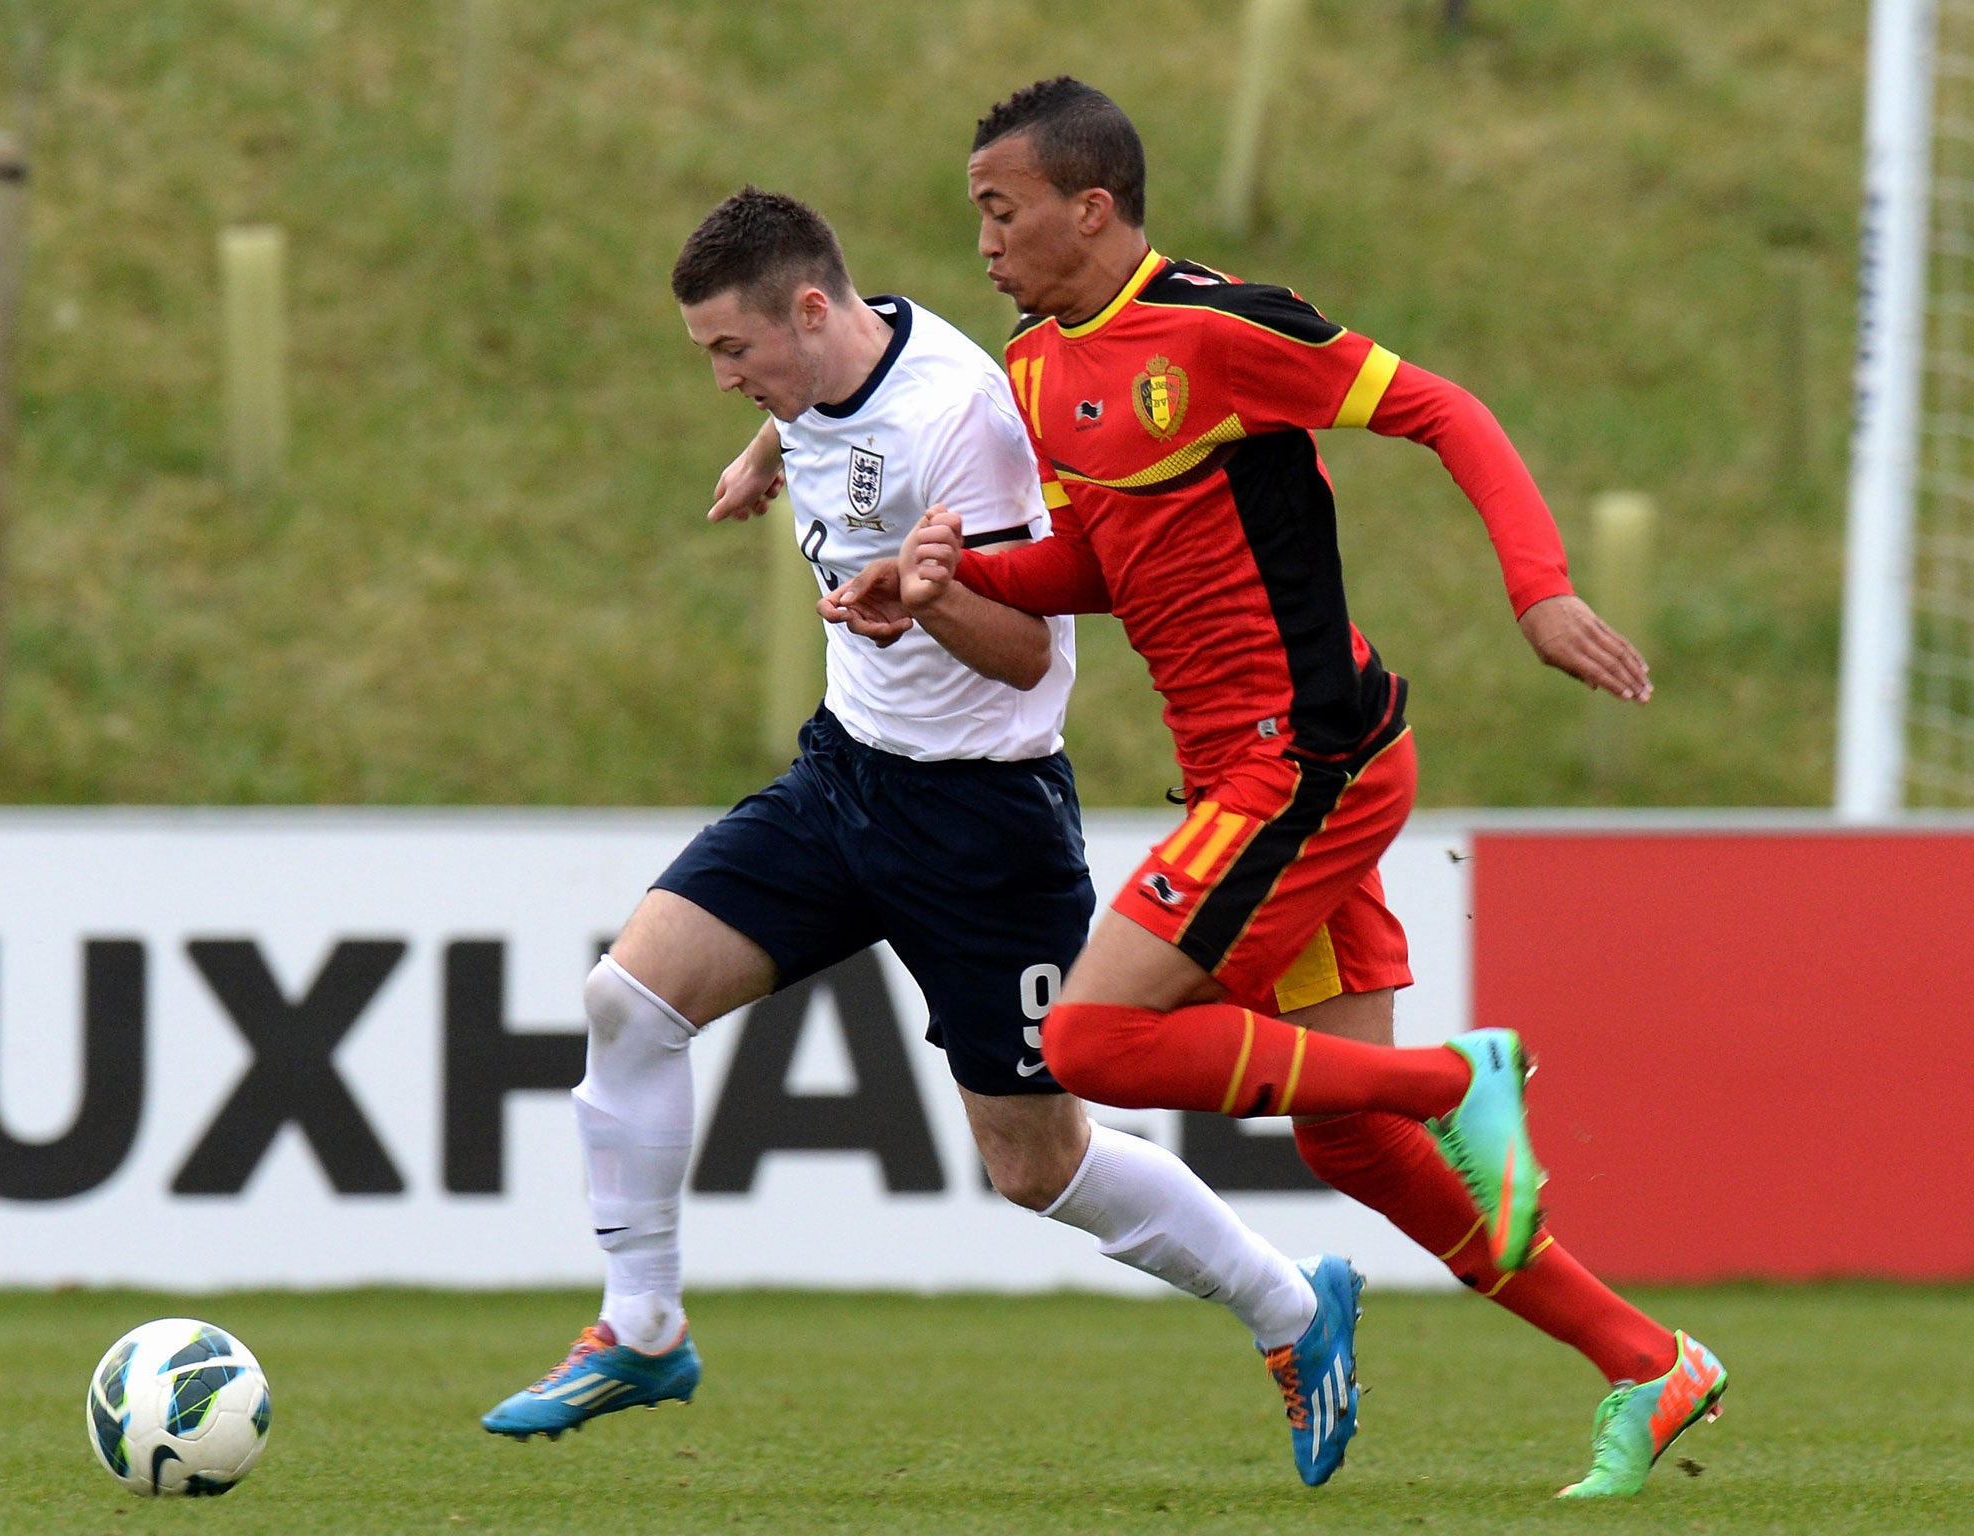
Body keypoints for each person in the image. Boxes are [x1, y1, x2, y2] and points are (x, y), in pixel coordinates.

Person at [478, 186, 1471, 1487]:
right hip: (843, 785)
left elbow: (1022, 655)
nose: (725, 379)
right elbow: (830, 421)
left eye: (735, 354)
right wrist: (766, 452)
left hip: (982, 822)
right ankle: (646, 1328)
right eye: (712, 359)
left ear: (812, 310)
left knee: (1035, 1164)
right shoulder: (821, 380)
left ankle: (1293, 1307)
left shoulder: (962, 417)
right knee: (628, 1002)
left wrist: (921, 606)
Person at [839, 78, 1725, 1499]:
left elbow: (1445, 408)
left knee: (1091, 1045)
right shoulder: (1032, 367)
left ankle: (1462, 1074)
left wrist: (1540, 590)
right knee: (1346, 1138)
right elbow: (1104, 568)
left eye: (1001, 213)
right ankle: (1646, 1361)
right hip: (1245, 769)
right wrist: (951, 581)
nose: (985, 243)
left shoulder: (1221, 327)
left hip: (1308, 752)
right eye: (976, 217)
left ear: (1094, 206)